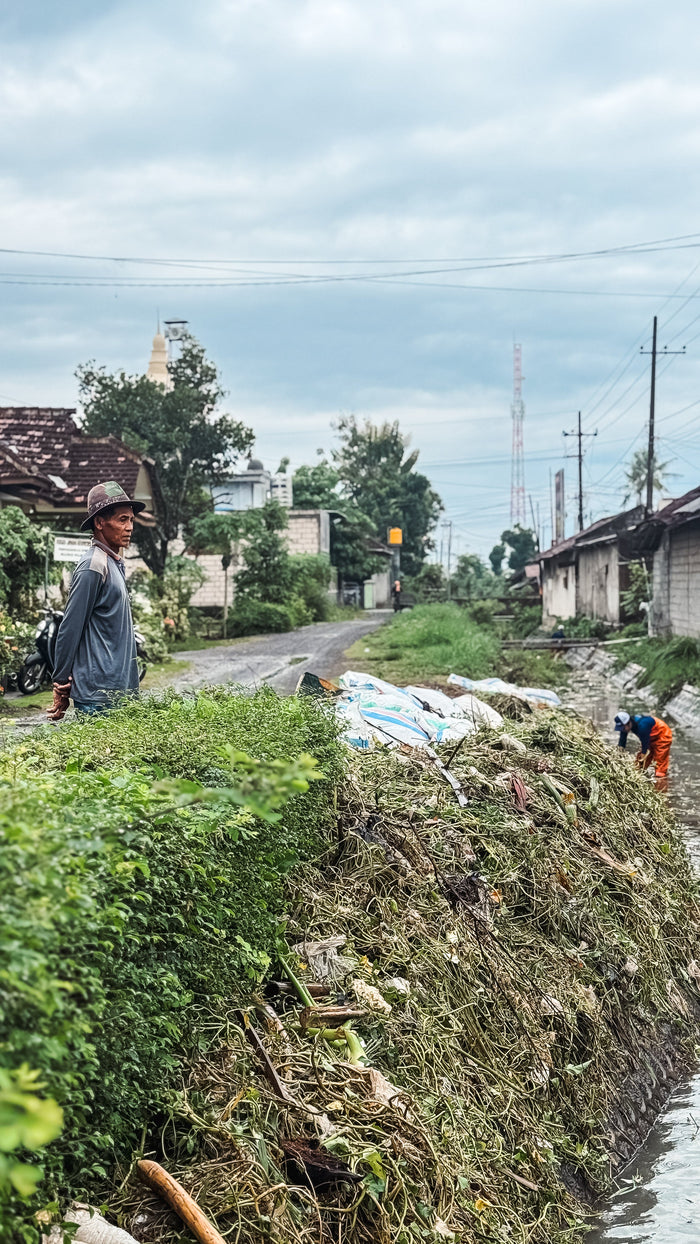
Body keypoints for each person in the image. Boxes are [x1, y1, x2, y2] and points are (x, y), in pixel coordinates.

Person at [47, 480, 146, 721]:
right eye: (122, 520)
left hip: (121, 693)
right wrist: (61, 682)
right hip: (98, 698)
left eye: (131, 520)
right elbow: (70, 628)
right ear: (100, 522)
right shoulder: (93, 566)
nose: (130, 527)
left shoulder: (113, 562)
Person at [614, 710, 673, 790]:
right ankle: (638, 776)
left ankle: (661, 787)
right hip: (650, 736)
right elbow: (622, 740)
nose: (622, 730)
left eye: (623, 728)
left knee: (660, 761)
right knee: (638, 764)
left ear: (628, 723)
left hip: (662, 734)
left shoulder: (642, 726)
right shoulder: (628, 725)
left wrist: (643, 755)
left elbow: (645, 746)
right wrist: (618, 754)